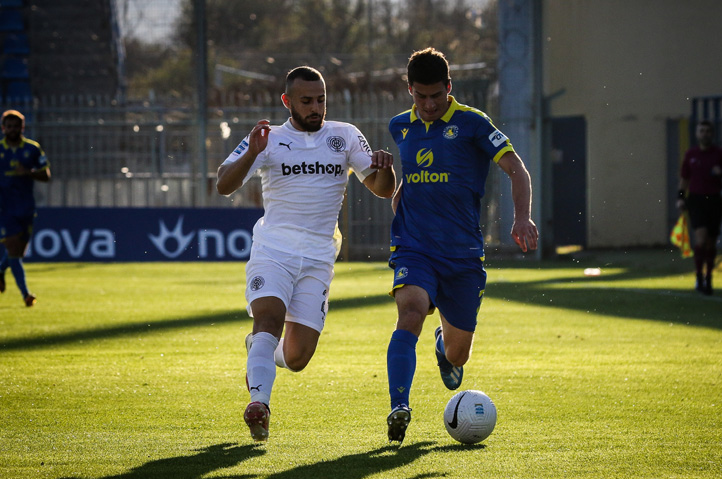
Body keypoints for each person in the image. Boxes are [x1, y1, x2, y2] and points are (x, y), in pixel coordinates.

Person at [216, 66, 396, 443]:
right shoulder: (268, 138)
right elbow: (224, 183)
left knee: (297, 358)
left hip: (318, 257)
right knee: (268, 319)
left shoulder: (345, 136)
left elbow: (382, 189)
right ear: (287, 101)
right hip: (273, 250)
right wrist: (252, 153)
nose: (316, 108)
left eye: (321, 100)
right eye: (307, 101)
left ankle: (260, 351)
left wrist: (386, 169)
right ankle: (259, 405)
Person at [384, 48, 539, 443]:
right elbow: (411, 178)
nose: (429, 104)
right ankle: (399, 406)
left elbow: (517, 169)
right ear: (409, 90)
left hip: (463, 254)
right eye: (421, 96)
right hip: (414, 246)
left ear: (449, 87)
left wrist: (522, 217)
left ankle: (443, 347)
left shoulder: (473, 123)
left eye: (436, 95)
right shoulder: (400, 126)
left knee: (458, 355)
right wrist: (402, 208)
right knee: (410, 313)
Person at [677, 119, 722, 295]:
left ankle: (709, 277)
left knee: (711, 242)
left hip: (714, 200)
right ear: (697, 134)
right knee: (701, 239)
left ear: (712, 134)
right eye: (702, 131)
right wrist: (680, 197)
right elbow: (684, 178)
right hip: (696, 200)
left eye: (708, 131)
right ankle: (698, 276)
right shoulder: (691, 154)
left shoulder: (721, 154)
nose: (705, 134)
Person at [0, 110, 51, 307]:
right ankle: (26, 294)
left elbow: (46, 175)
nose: (12, 130)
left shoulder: (32, 149)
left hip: (26, 207)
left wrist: (28, 172)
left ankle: (1, 270)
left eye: (16, 126)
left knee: (18, 253)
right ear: (3, 128)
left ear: (22, 128)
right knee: (13, 248)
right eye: (9, 126)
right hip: (4, 209)